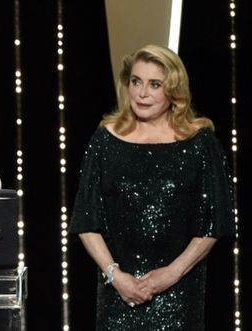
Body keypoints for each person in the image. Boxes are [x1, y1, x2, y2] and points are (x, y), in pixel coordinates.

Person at [69, 44, 235, 330]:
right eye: (136, 82)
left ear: (173, 90)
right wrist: (115, 276)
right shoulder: (105, 139)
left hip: (179, 293)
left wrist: (171, 274)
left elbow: (214, 222)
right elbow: (86, 219)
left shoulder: (200, 142)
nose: (142, 93)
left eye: (154, 84)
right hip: (117, 293)